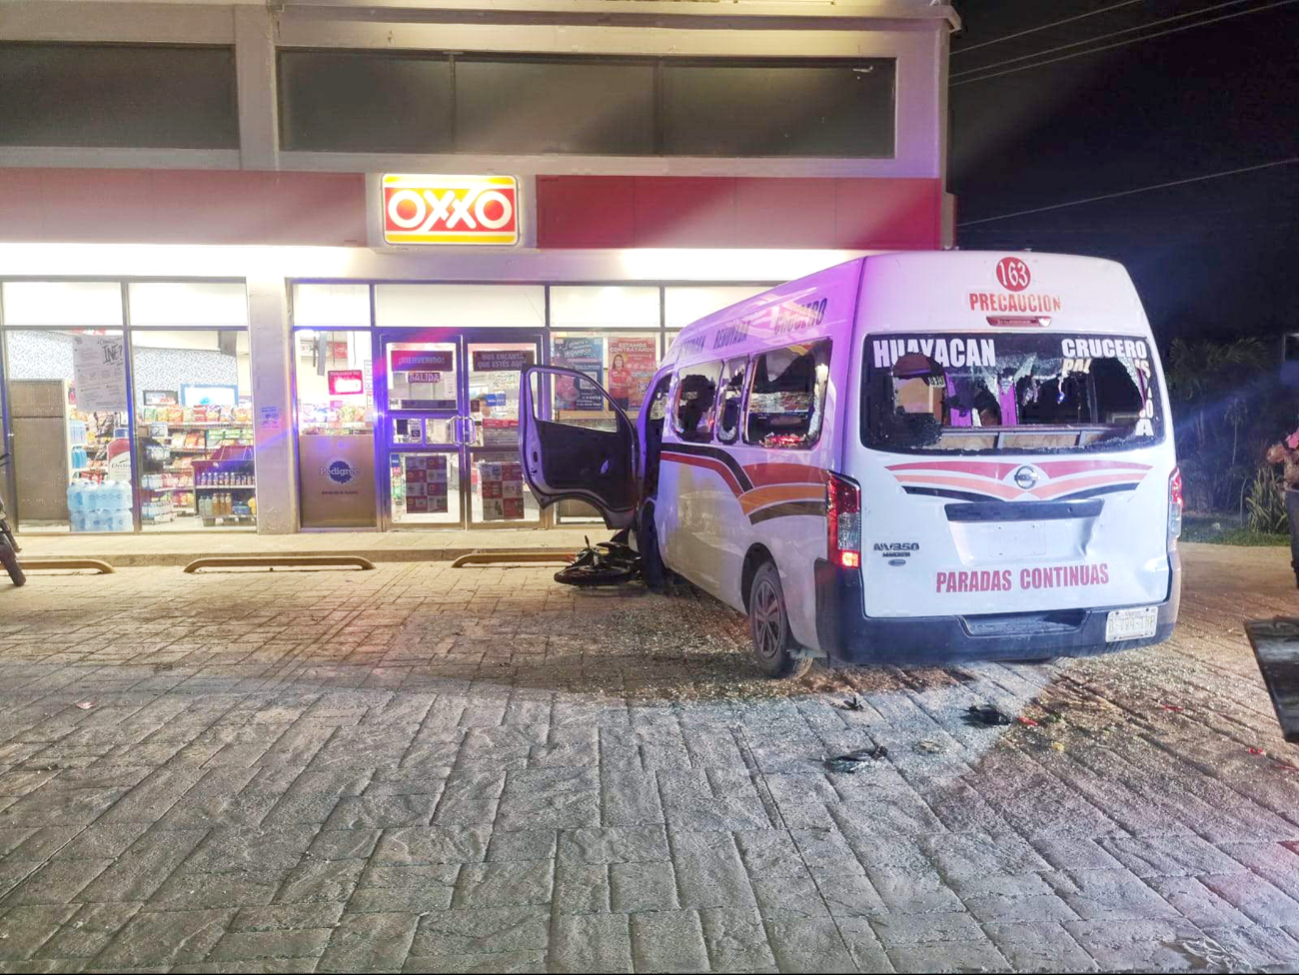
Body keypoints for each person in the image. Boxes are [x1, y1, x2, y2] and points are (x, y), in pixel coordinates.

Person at [1266, 427, 1299, 587]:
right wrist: (1286, 447)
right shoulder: (1293, 437)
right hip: (1294, 491)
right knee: (1297, 536)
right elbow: (1271, 456)